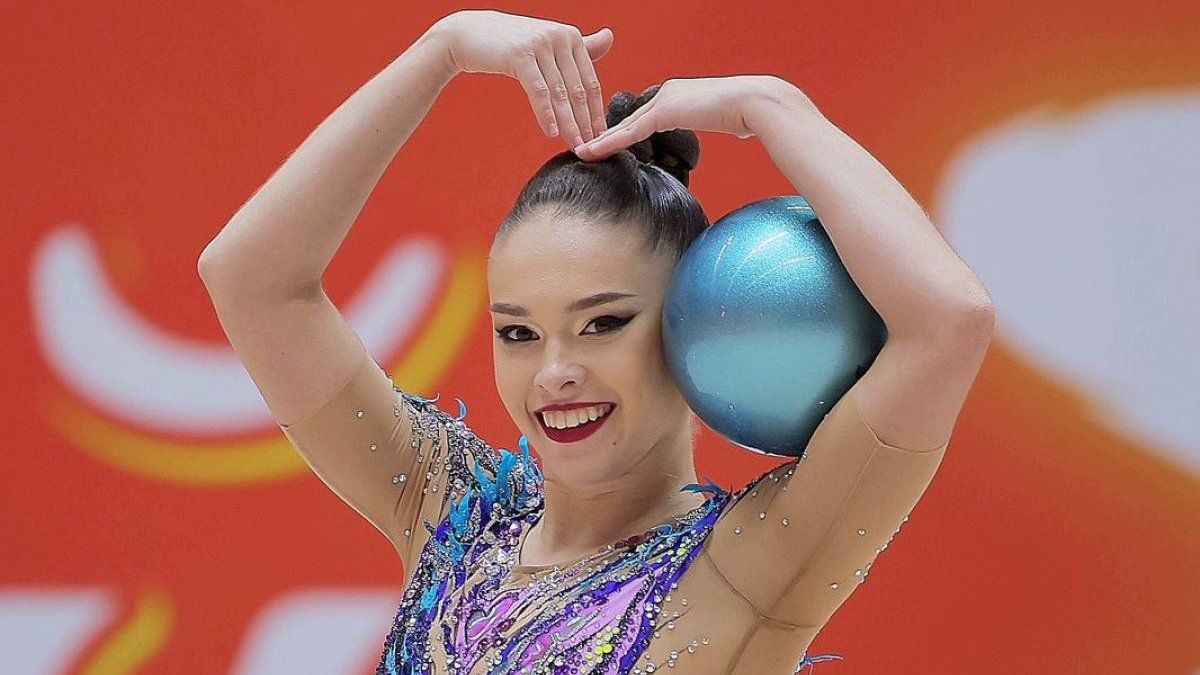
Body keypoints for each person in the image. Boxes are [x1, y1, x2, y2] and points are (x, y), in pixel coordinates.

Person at [198, 9, 995, 674]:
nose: (554, 372)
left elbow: (947, 321)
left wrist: (774, 107)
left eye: (603, 323)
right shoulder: (449, 510)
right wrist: (440, 51)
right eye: (518, 332)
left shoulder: (753, 565)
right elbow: (252, 281)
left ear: (690, 326)